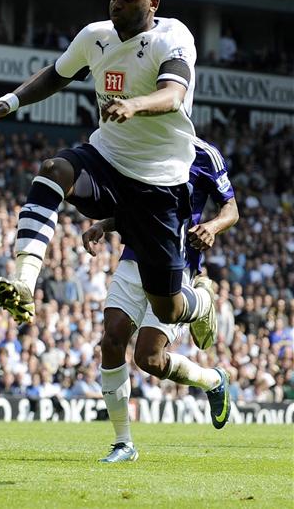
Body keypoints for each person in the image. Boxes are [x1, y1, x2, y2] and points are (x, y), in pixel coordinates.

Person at [0, 0, 220, 370]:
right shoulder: (95, 36)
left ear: (152, 3)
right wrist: (10, 102)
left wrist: (134, 105)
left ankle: (202, 301)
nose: (116, 4)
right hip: (107, 158)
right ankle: (23, 281)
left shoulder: (172, 37)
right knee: (54, 169)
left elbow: (173, 94)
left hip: (159, 182)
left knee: (170, 306)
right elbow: (56, 75)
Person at [84, 138, 239, 462]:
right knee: (111, 340)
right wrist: (104, 223)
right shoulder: (141, 144)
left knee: (149, 359)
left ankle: (212, 378)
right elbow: (133, 206)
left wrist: (212, 226)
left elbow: (231, 209)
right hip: (133, 258)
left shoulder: (205, 154)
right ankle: (123, 442)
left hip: (177, 263)